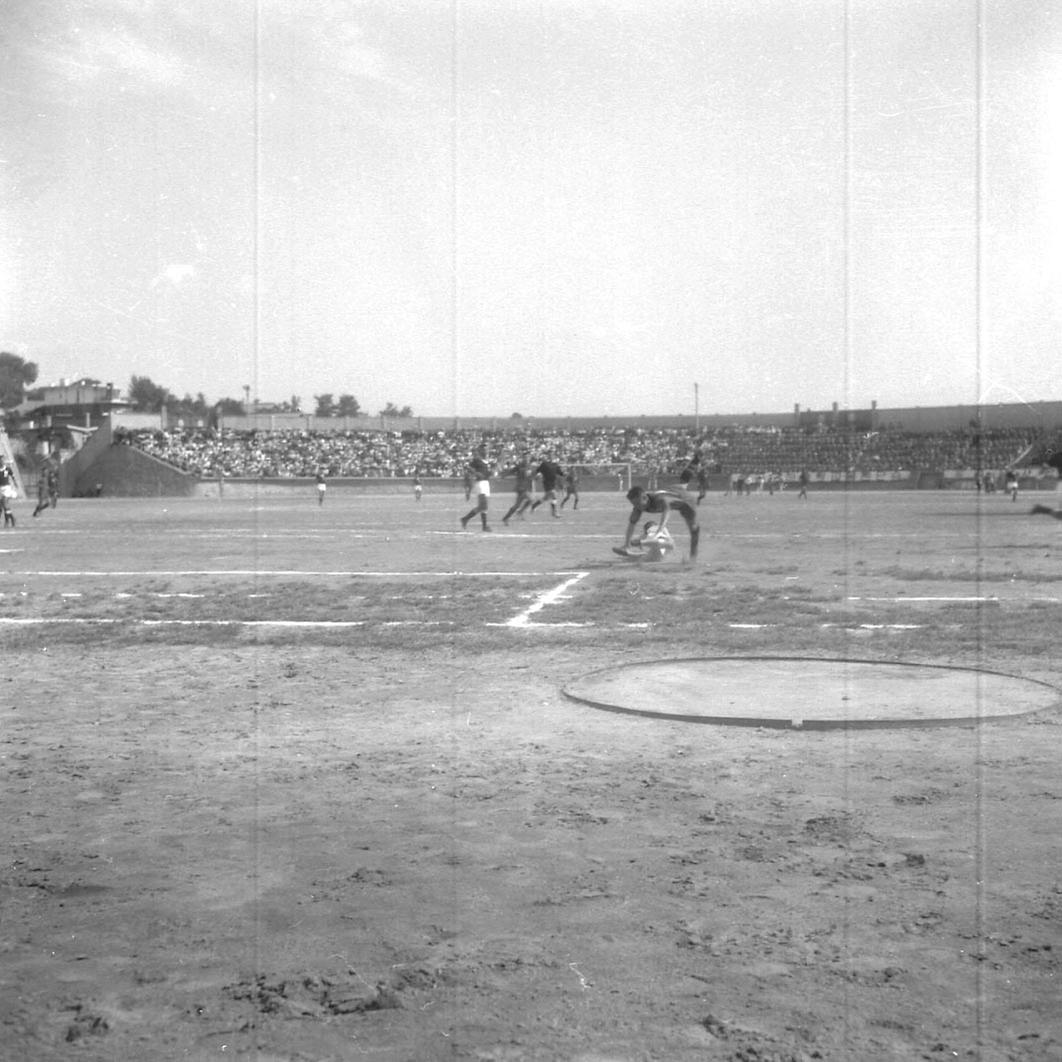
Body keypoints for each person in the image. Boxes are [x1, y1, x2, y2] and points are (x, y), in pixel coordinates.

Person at [614, 485, 700, 559]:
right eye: (634, 504)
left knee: (694, 529)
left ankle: (693, 557)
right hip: (675, 497)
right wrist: (626, 544)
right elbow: (631, 525)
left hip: (687, 502)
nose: (636, 507)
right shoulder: (639, 507)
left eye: (637, 503)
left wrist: (659, 532)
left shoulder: (658, 499)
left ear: (645, 498)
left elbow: (666, 513)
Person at [460, 447, 494, 532]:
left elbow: (486, 473)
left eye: (486, 449)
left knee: (483, 507)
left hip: (486, 483)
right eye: (484, 449)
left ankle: (466, 519)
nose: (486, 451)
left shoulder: (485, 461)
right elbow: (468, 470)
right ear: (480, 451)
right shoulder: (476, 461)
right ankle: (483, 526)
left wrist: (491, 472)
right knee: (483, 505)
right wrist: (475, 473)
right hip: (480, 484)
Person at [501, 454, 534, 524]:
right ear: (523, 458)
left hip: (524, 487)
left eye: (528, 458)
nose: (527, 459)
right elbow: (511, 471)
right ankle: (514, 515)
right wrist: (504, 475)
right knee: (528, 501)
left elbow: (529, 476)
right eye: (526, 458)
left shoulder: (528, 466)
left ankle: (509, 516)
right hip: (521, 487)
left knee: (520, 504)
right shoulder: (520, 466)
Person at [0, 462, 16, 528]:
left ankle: (8, 521)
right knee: (3, 506)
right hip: (0, 488)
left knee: (4, 502)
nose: (1, 461)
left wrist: (15, 483)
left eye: (2, 460)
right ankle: (11, 518)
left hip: (6, 488)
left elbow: (13, 475)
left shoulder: (7, 468)